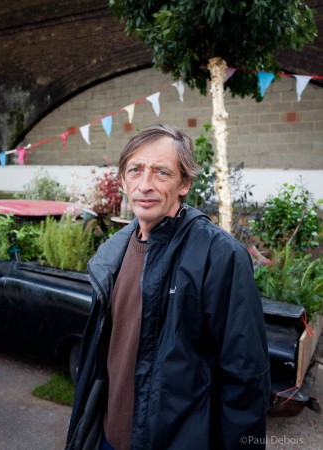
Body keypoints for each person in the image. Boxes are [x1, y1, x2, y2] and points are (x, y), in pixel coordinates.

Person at [65, 123, 270, 450]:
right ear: (122, 180)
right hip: (107, 437)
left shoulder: (220, 256)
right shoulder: (114, 252)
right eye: (135, 171)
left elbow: (244, 378)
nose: (145, 185)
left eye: (161, 173)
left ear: (185, 183)